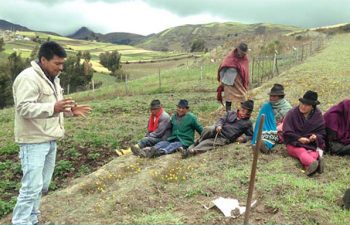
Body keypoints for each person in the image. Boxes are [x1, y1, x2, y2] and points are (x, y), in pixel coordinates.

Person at [12, 41, 92, 225]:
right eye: (57, 63)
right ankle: (21, 221)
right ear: (43, 60)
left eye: (62, 63)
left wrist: (70, 111)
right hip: (33, 140)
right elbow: (24, 108)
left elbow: (56, 107)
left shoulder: (53, 78)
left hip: (50, 139)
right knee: (31, 187)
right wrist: (53, 107)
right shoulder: (28, 78)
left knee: (43, 185)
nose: (61, 68)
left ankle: (32, 218)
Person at [182, 100, 254, 158]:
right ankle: (195, 144)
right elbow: (221, 120)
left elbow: (251, 136)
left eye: (247, 113)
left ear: (249, 114)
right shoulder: (230, 113)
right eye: (243, 111)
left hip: (225, 137)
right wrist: (219, 125)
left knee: (208, 142)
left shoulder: (248, 123)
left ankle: (192, 151)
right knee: (208, 129)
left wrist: (243, 139)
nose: (244, 114)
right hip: (217, 130)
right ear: (240, 108)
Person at [282, 90, 326, 176]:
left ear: (313, 107)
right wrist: (299, 138)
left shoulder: (318, 115)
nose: (303, 106)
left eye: (307, 105)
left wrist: (315, 136)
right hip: (294, 143)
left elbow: (322, 132)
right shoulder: (292, 113)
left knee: (311, 152)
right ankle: (314, 162)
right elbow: (286, 131)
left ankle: (310, 166)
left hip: (310, 145)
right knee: (301, 151)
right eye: (302, 103)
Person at [251, 84, 292, 153]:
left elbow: (286, 123)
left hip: (278, 129)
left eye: (274, 96)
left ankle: (266, 145)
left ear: (280, 97)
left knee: (277, 134)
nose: (271, 98)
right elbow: (260, 119)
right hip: (265, 127)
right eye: (270, 96)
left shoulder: (287, 108)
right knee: (256, 126)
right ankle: (257, 141)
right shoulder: (266, 106)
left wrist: (275, 128)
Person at [217, 42, 249, 112]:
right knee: (228, 97)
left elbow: (245, 70)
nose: (242, 54)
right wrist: (222, 80)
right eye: (241, 52)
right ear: (238, 50)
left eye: (244, 53)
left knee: (243, 96)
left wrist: (245, 81)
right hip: (229, 81)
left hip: (239, 81)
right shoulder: (230, 57)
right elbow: (223, 67)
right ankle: (228, 113)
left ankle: (244, 112)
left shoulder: (245, 59)